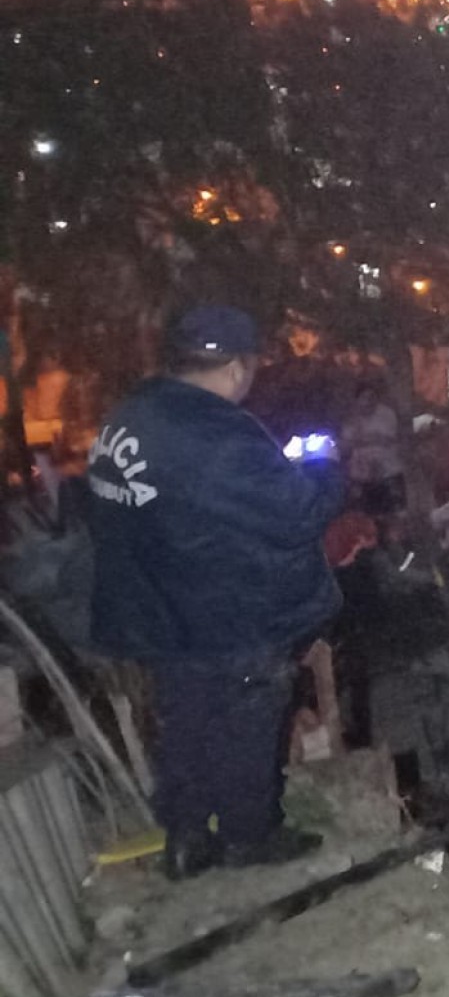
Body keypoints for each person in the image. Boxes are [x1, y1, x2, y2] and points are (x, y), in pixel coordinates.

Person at [87, 305, 345, 880]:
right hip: (224, 608)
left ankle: (183, 837)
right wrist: (323, 466)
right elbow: (297, 513)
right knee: (248, 716)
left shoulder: (130, 416)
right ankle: (247, 836)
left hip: (156, 606)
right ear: (235, 368)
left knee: (188, 718)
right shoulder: (216, 434)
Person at [340, 381, 405, 518]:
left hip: (388, 472)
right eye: (364, 398)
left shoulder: (386, 414)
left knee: (392, 513)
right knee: (365, 515)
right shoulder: (351, 417)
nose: (368, 402)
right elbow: (346, 444)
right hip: (362, 475)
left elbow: (389, 439)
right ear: (357, 400)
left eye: (372, 397)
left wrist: (365, 440)